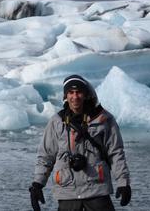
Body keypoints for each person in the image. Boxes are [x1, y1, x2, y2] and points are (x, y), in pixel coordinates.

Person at [29, 74, 131, 211]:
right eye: (71, 92)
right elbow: (46, 156)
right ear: (66, 96)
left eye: (78, 92)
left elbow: (116, 153)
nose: (75, 97)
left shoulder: (103, 119)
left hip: (96, 189)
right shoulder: (56, 122)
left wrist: (123, 183)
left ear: (85, 94)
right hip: (67, 191)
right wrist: (37, 185)